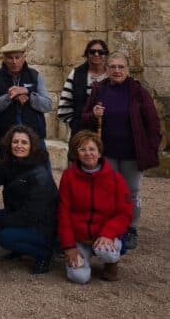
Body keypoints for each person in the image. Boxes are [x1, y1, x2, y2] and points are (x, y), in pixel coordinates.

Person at [81, 51, 160, 249]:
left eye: (121, 67)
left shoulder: (138, 91)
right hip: (107, 152)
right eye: (113, 67)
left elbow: (152, 124)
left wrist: (150, 149)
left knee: (131, 192)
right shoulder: (99, 90)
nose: (117, 70)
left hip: (132, 153)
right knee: (108, 192)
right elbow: (85, 117)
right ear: (106, 69)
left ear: (127, 69)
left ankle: (131, 228)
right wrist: (93, 114)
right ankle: (111, 227)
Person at [0, 125, 58, 274]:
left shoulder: (40, 173)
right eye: (15, 142)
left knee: (4, 236)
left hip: (41, 225)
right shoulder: (10, 164)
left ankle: (44, 253)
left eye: (24, 142)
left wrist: (2, 223)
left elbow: (32, 213)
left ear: (32, 146)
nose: (19, 146)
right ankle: (19, 247)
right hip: (18, 214)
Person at [58, 130, 132, 283]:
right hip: (79, 237)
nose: (88, 153)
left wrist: (108, 233)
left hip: (103, 235)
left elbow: (124, 212)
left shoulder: (115, 178)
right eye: (82, 149)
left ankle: (111, 262)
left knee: (107, 252)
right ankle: (84, 258)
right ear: (77, 153)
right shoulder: (68, 177)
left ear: (99, 153)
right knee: (80, 278)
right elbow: (63, 212)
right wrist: (69, 246)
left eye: (92, 149)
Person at [0, 43, 52, 160]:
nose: (14, 61)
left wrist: (28, 93)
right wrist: (10, 96)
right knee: (8, 175)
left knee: (40, 173)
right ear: (4, 59)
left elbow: (47, 105)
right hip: (4, 135)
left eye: (17, 57)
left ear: (23, 57)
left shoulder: (35, 75)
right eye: (10, 58)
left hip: (34, 134)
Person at [57, 38, 109, 135]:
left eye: (101, 52)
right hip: (81, 131)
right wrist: (76, 124)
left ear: (105, 55)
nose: (96, 54)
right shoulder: (76, 74)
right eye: (92, 52)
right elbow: (65, 103)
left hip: (108, 130)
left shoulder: (111, 75)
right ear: (87, 54)